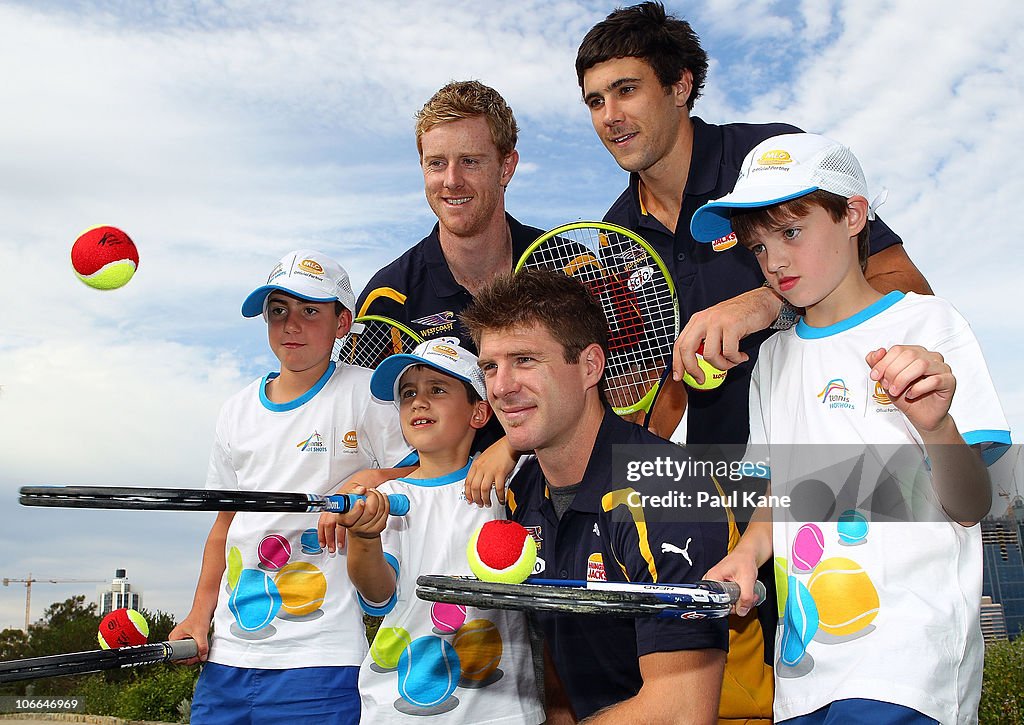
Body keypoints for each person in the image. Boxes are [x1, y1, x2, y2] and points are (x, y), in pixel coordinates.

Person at [693, 132, 1010, 723]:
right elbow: (777, 504)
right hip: (803, 677)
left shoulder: (929, 323)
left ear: (854, 215)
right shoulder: (773, 358)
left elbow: (970, 504)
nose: (775, 261)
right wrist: (745, 554)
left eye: (791, 233)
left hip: (910, 665)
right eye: (759, 247)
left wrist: (938, 426)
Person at [575, 1, 933, 449]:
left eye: (626, 90)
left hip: (840, 453)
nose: (609, 115)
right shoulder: (617, 232)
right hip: (723, 480)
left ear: (680, 86)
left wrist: (769, 302)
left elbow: (910, 288)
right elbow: (665, 383)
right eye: (595, 101)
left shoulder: (772, 156)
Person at [461, 270, 731, 723]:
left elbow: (682, 711)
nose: (501, 386)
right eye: (490, 366)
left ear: (590, 366)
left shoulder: (672, 486)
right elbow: (559, 667)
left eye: (525, 360)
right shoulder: (522, 492)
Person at [169, 250, 415, 725]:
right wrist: (200, 616)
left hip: (321, 657)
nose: (291, 325)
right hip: (228, 656)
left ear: (343, 322)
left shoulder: (366, 393)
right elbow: (224, 525)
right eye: (277, 310)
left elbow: (420, 474)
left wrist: (365, 480)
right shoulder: (236, 410)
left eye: (310, 310)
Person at [334, 337, 544, 723]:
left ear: (479, 413)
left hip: (498, 709)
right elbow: (377, 596)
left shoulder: (515, 478)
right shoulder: (389, 495)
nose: (418, 401)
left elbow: (564, 436)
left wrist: (510, 445)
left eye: (438, 389)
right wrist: (364, 536)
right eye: (408, 393)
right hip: (397, 710)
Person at [355, 80, 543, 351]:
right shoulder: (388, 298)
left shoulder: (571, 267)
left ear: (506, 167)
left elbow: (623, 380)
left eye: (470, 161)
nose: (452, 181)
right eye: (437, 164)